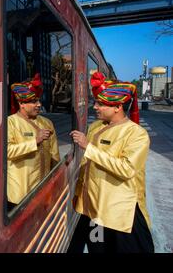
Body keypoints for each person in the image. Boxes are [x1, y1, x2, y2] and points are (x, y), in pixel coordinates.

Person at [68, 71, 154, 253]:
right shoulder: (95, 127)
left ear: (118, 107)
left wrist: (88, 147)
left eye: (101, 104)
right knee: (96, 249)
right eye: (96, 102)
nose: (95, 107)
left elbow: (127, 169)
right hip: (93, 210)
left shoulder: (136, 134)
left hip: (119, 216)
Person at [7, 74, 60, 209]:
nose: (39, 105)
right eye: (34, 101)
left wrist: (56, 180)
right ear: (21, 104)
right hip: (21, 194)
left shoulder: (47, 123)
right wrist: (35, 141)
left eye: (39, 101)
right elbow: (8, 152)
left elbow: (54, 156)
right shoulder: (11, 123)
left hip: (44, 190)